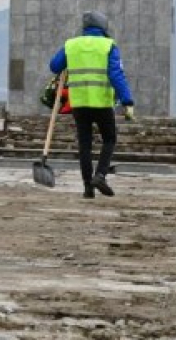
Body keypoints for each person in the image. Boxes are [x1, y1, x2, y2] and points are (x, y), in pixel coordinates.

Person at [49, 11, 134, 199]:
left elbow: (54, 66)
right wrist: (127, 101)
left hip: (79, 103)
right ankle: (100, 175)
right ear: (103, 27)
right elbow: (116, 75)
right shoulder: (109, 46)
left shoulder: (71, 45)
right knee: (109, 139)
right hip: (102, 102)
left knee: (85, 145)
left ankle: (88, 188)